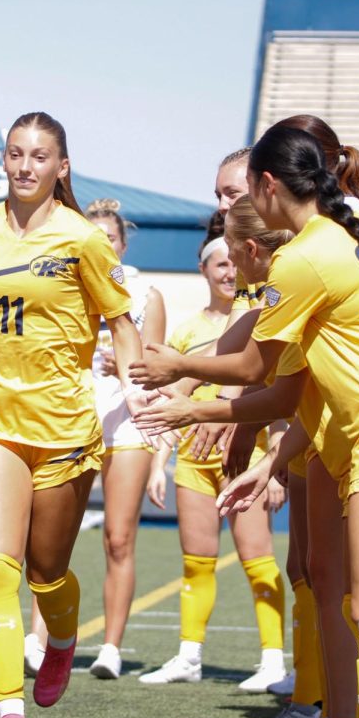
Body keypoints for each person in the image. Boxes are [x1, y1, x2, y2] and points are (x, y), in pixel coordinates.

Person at [130, 124, 359, 718]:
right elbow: (287, 392)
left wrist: (178, 368)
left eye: (241, 193)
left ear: (268, 186)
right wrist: (203, 415)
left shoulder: (302, 256)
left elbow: (252, 368)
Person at [0, 111, 149, 718]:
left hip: (65, 428)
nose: (25, 166)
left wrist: (138, 393)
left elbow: (122, 326)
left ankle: (63, 640)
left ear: (62, 166)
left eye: (39, 156)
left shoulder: (84, 240)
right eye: (15, 154)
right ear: (4, 160)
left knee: (47, 572)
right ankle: (9, 716)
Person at [135, 226, 286, 691]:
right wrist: (159, 463)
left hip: (246, 455)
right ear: (203, 269)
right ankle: (189, 655)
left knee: (257, 557)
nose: (227, 271)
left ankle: (275, 661)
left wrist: (275, 464)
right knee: (196, 559)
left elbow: (279, 387)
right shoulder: (188, 330)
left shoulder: (262, 314)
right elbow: (174, 400)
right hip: (194, 461)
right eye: (218, 263)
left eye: (231, 262)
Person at [79, 199, 166, 680]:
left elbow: (155, 365)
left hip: (126, 418)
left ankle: (110, 647)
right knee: (53, 538)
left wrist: (128, 367)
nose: (103, 244)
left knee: (118, 537)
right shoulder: (67, 283)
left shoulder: (146, 292)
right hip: (73, 413)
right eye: (94, 237)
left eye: (109, 237)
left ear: (123, 243)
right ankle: (40, 640)